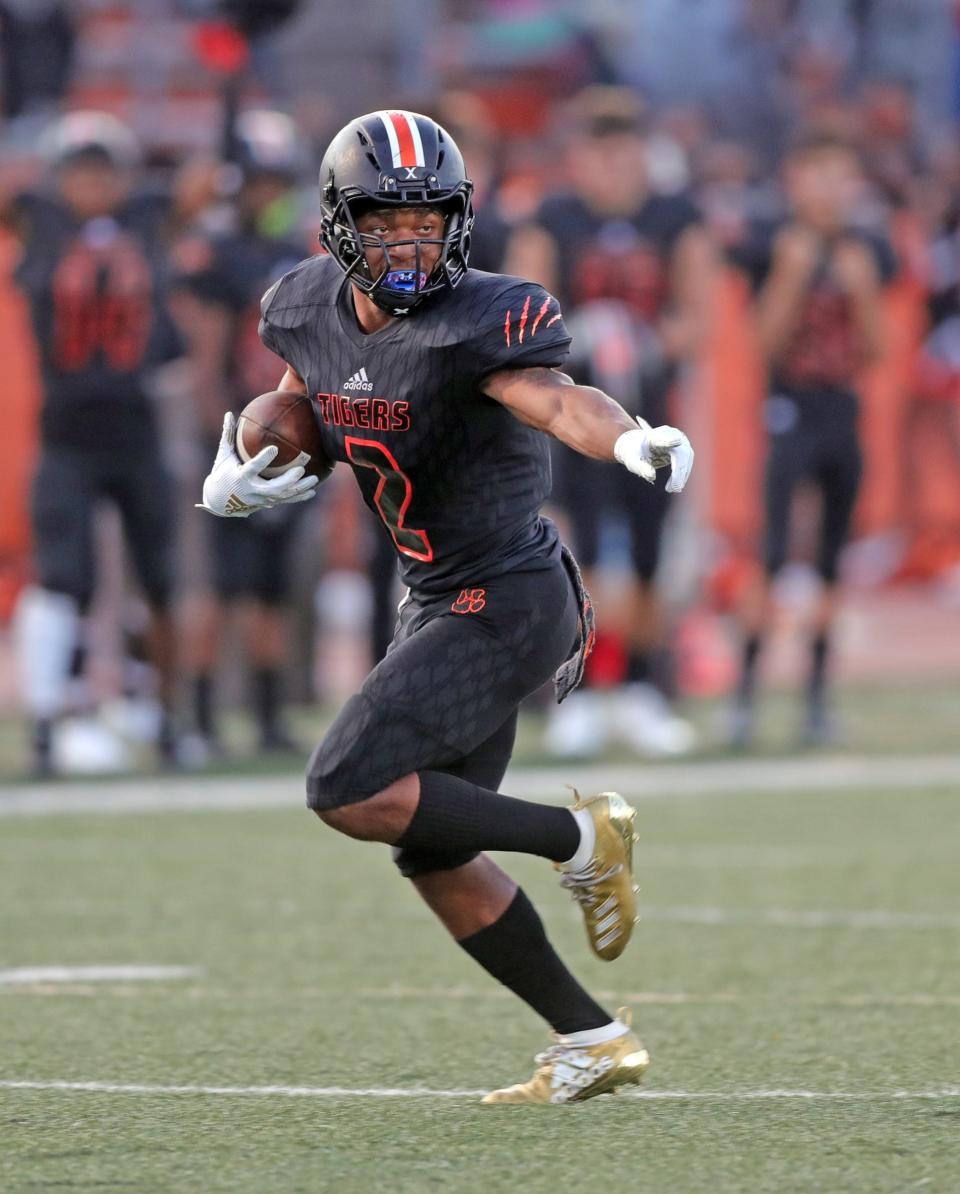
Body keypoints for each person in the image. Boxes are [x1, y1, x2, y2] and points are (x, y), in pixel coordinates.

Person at [198, 110, 694, 1104]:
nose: (412, 240)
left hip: (508, 598)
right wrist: (245, 461)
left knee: (343, 787)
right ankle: (592, 1037)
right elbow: (302, 395)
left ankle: (583, 839)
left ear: (458, 221)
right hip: (436, 599)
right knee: (433, 850)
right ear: (341, 226)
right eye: (387, 221)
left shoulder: (487, 318)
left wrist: (630, 436)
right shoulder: (304, 305)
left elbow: (555, 399)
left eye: (428, 220)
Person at [507, 87, 712, 758]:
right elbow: (523, 311)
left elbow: (697, 316)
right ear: (578, 158)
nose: (613, 166)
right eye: (599, 151)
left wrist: (650, 339)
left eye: (623, 150)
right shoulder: (553, 218)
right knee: (582, 551)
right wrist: (578, 335)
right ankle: (588, 688)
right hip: (579, 419)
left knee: (653, 555)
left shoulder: (674, 216)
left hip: (654, 415)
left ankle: (647, 688)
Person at [5, 111, 184, 775]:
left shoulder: (147, 217)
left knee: (161, 582)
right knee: (63, 579)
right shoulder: (36, 220)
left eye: (103, 168)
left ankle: (167, 718)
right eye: (80, 169)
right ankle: (50, 723)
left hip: (137, 428)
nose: (92, 182)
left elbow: (206, 186)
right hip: (67, 433)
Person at [728, 131, 891, 747]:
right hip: (787, 407)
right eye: (816, 174)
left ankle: (817, 698)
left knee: (830, 561)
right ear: (795, 179)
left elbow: (876, 350)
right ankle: (744, 694)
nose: (828, 190)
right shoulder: (773, 241)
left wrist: (864, 286)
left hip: (841, 411)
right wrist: (793, 275)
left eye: (839, 175)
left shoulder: (867, 246)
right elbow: (762, 344)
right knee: (771, 553)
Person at [175, 110, 313, 757]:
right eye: (260, 182)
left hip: (289, 443)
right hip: (237, 442)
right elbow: (205, 363)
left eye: (277, 182)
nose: (270, 195)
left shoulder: (302, 251)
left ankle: (265, 719)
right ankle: (200, 721)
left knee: (272, 589)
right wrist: (228, 450)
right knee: (220, 589)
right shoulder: (219, 253)